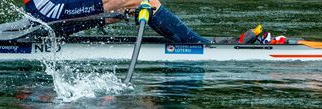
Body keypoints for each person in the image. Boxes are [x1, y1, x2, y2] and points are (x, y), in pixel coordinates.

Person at [23, 0, 210, 44]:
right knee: (141, 1)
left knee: (142, 4)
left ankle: (191, 43)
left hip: (55, 4)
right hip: (47, 7)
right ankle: (197, 45)